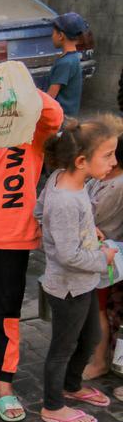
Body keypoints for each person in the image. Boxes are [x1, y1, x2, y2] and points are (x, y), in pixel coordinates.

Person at [0, 89, 63, 422]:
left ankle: (4, 384)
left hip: (14, 236)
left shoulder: (32, 130)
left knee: (7, 310)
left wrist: (22, 86)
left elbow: (55, 116)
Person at [36, 117, 119, 422]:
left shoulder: (66, 179)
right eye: (108, 155)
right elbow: (69, 255)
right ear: (82, 161)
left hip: (83, 284)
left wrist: (87, 229)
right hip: (68, 288)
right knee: (63, 348)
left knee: (90, 338)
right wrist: (103, 257)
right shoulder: (66, 201)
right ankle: (53, 406)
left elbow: (39, 210)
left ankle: (72, 386)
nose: (114, 162)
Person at [83, 133, 123, 380]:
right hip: (94, 254)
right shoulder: (102, 178)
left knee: (97, 310)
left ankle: (99, 362)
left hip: (105, 257)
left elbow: (91, 215)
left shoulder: (117, 185)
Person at [47, 12, 89, 118]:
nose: (52, 36)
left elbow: (50, 97)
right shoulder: (74, 57)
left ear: (61, 36)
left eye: (53, 33)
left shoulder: (65, 63)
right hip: (69, 117)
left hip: (61, 119)